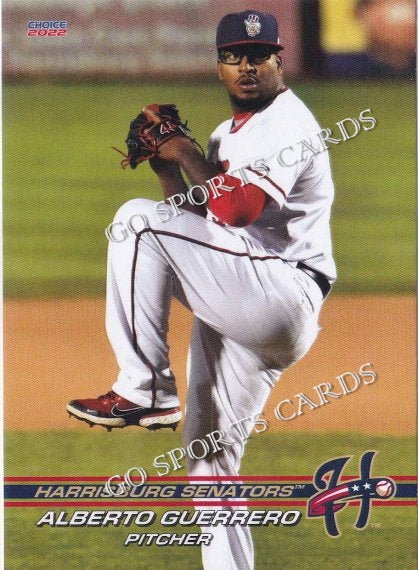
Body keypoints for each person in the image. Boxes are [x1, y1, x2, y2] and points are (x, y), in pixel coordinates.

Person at [67, 10, 336, 569]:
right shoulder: (225, 136)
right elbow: (190, 223)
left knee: (134, 223)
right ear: (219, 66)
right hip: (249, 299)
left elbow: (236, 210)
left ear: (278, 60)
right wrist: (165, 163)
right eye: (234, 56)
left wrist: (185, 149)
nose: (246, 67)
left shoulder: (286, 121)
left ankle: (146, 389)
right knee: (208, 457)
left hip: (280, 291)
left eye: (258, 56)